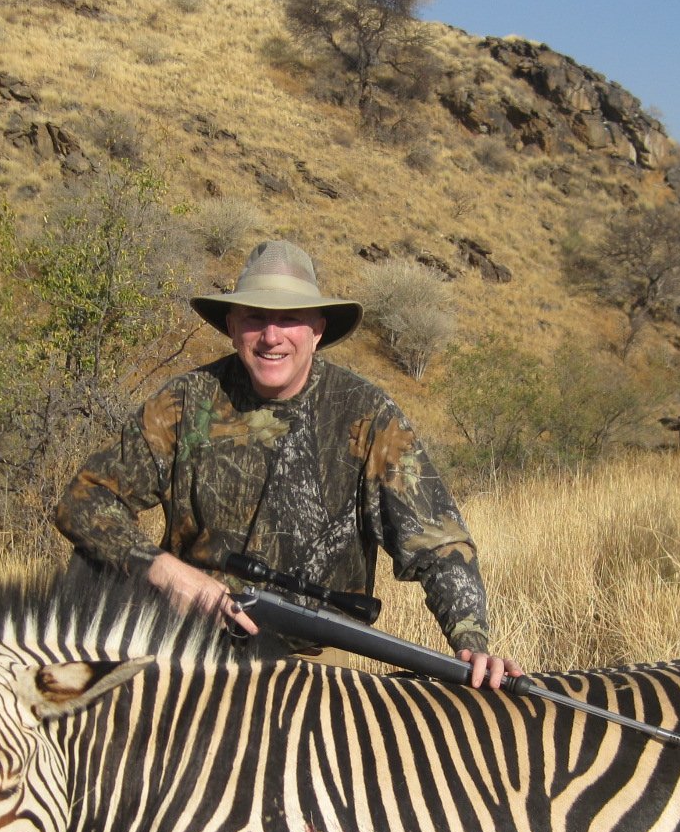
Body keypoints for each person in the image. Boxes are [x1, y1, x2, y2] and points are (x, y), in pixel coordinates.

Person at [53, 239, 520, 689]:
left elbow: (439, 545)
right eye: (256, 318)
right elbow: (83, 500)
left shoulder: (368, 413)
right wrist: (166, 573)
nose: (271, 337)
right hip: (192, 649)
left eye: (290, 320)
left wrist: (471, 642)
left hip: (316, 667)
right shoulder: (184, 401)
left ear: (317, 330)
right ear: (232, 326)